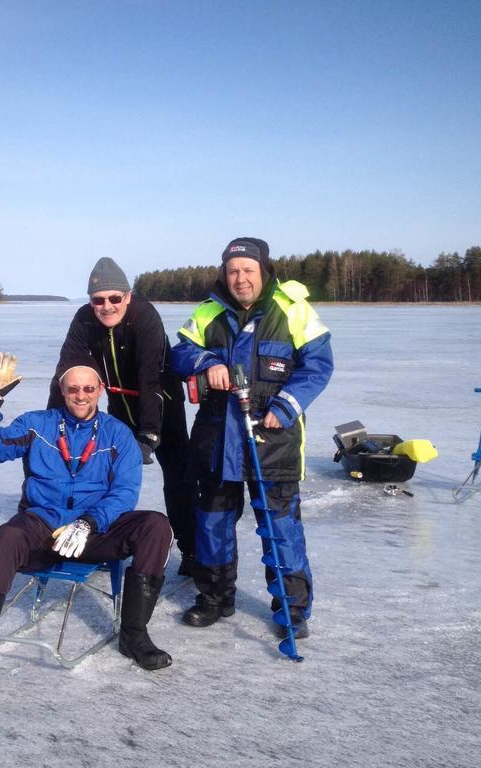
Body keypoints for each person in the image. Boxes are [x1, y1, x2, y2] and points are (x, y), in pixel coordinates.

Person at [0, 354, 173, 705]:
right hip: (42, 526)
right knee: (2, 540)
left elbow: (124, 492)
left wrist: (89, 521)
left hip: (94, 532)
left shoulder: (118, 434)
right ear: (62, 392)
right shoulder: (38, 425)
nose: (81, 396)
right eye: (73, 389)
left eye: (88, 389)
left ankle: (134, 635)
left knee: (156, 526)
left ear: (100, 391)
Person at [170, 237, 333, 638]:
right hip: (217, 441)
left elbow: (318, 365)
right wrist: (205, 361)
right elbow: (178, 355)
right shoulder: (208, 312)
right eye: (233, 271)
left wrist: (285, 407)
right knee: (212, 524)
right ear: (224, 274)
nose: (240, 279)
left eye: (248, 270)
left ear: (263, 271)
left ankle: (291, 609)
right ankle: (214, 597)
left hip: (273, 440)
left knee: (281, 529)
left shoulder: (292, 310)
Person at [47, 257, 196, 575]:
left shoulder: (145, 317)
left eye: (115, 298)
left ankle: (191, 549)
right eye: (98, 300)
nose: (107, 306)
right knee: (105, 477)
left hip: (161, 405)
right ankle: (101, 541)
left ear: (127, 296)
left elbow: (150, 378)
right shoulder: (84, 319)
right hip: (118, 406)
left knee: (178, 479)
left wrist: (148, 435)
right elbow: (66, 371)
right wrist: (51, 427)